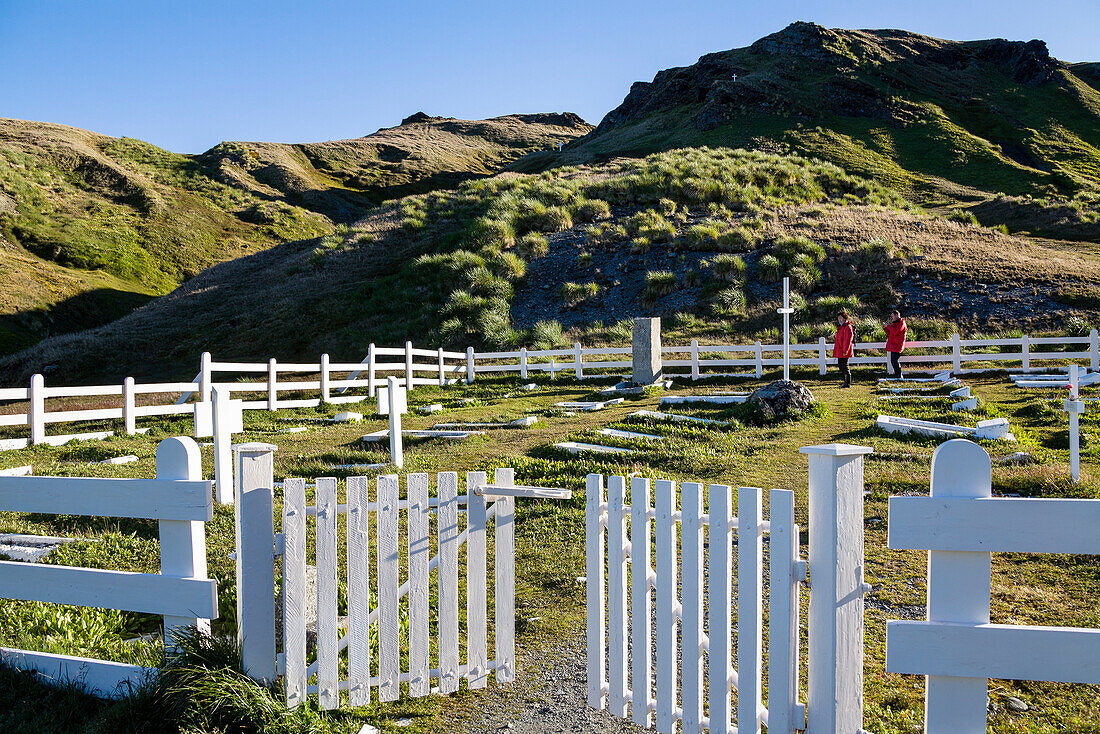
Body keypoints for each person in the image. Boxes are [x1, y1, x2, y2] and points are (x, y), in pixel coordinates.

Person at [884, 309, 908, 379]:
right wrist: (885, 328)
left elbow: (896, 332)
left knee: (894, 361)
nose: (892, 318)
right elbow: (891, 333)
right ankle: (898, 375)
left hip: (898, 345)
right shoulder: (895, 323)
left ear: (897, 315)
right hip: (893, 345)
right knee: (893, 361)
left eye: (892, 316)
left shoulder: (901, 323)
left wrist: (887, 326)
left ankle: (899, 375)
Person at [833, 310, 855, 388]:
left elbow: (848, 340)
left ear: (844, 318)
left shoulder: (847, 327)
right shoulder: (842, 327)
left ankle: (847, 383)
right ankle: (845, 382)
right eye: (838, 318)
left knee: (845, 366)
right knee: (841, 366)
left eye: (841, 317)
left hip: (844, 350)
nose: (839, 319)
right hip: (840, 350)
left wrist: (845, 350)